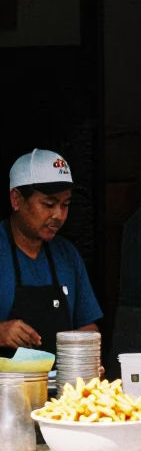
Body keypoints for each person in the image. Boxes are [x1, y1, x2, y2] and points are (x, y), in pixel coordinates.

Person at [0, 150, 101, 355]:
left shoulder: (67, 255)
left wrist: (89, 357)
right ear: (16, 199)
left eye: (65, 205)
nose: (58, 215)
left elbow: (87, 327)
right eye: (49, 204)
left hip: (61, 384)